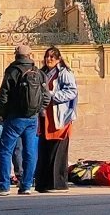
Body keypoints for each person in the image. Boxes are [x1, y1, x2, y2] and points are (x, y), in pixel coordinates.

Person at [0, 44, 50, 197]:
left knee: (5, 149)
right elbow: (47, 96)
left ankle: (3, 185)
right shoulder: (39, 73)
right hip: (32, 119)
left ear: (16, 55)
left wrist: (4, 113)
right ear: (30, 55)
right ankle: (26, 185)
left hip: (15, 117)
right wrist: (39, 109)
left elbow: (3, 95)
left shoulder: (12, 71)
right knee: (31, 151)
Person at [35, 46, 78, 193]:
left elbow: (72, 91)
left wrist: (53, 95)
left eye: (52, 57)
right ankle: (43, 183)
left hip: (59, 116)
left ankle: (58, 184)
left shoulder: (64, 73)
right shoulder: (42, 73)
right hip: (45, 116)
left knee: (57, 152)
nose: (49, 59)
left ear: (58, 59)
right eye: (47, 56)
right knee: (44, 150)